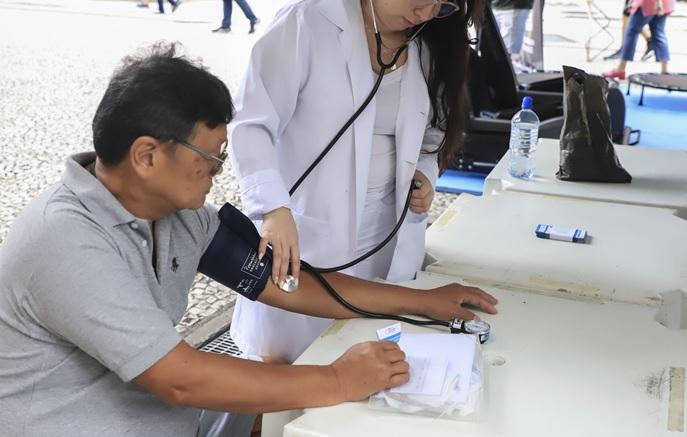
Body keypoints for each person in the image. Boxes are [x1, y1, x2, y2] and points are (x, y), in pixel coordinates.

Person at [0, 42, 498, 436]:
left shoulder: (180, 217)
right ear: (147, 156)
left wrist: (422, 301)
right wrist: (339, 379)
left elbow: (289, 284)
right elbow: (179, 379)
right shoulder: (66, 239)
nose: (218, 172)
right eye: (210, 159)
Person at [228, 0, 478, 389]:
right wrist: (273, 209)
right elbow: (251, 124)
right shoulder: (307, 23)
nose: (426, 11)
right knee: (285, 377)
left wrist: (425, 176)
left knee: (369, 373)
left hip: (386, 237)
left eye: (442, 2)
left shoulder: (428, 46)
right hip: (307, 235)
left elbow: (432, 139)